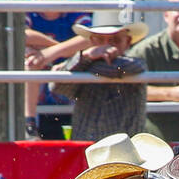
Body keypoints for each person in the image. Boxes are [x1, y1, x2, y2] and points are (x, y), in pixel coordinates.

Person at [22, 0, 93, 138]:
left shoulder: (74, 10)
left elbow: (90, 37)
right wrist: (57, 48)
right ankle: (28, 122)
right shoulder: (25, 6)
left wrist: (49, 53)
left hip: (66, 75)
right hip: (35, 77)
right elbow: (21, 34)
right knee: (31, 59)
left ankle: (86, 128)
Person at [50, 13, 149, 142]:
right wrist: (86, 57)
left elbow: (123, 69)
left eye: (115, 40)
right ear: (92, 41)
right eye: (100, 40)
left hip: (125, 149)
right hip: (88, 147)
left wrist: (84, 62)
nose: (106, 47)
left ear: (128, 42)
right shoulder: (83, 64)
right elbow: (57, 86)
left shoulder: (135, 64)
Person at [129, 0, 179, 143]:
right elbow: (124, 90)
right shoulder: (146, 50)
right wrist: (171, 94)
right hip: (156, 145)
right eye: (177, 8)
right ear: (166, 14)